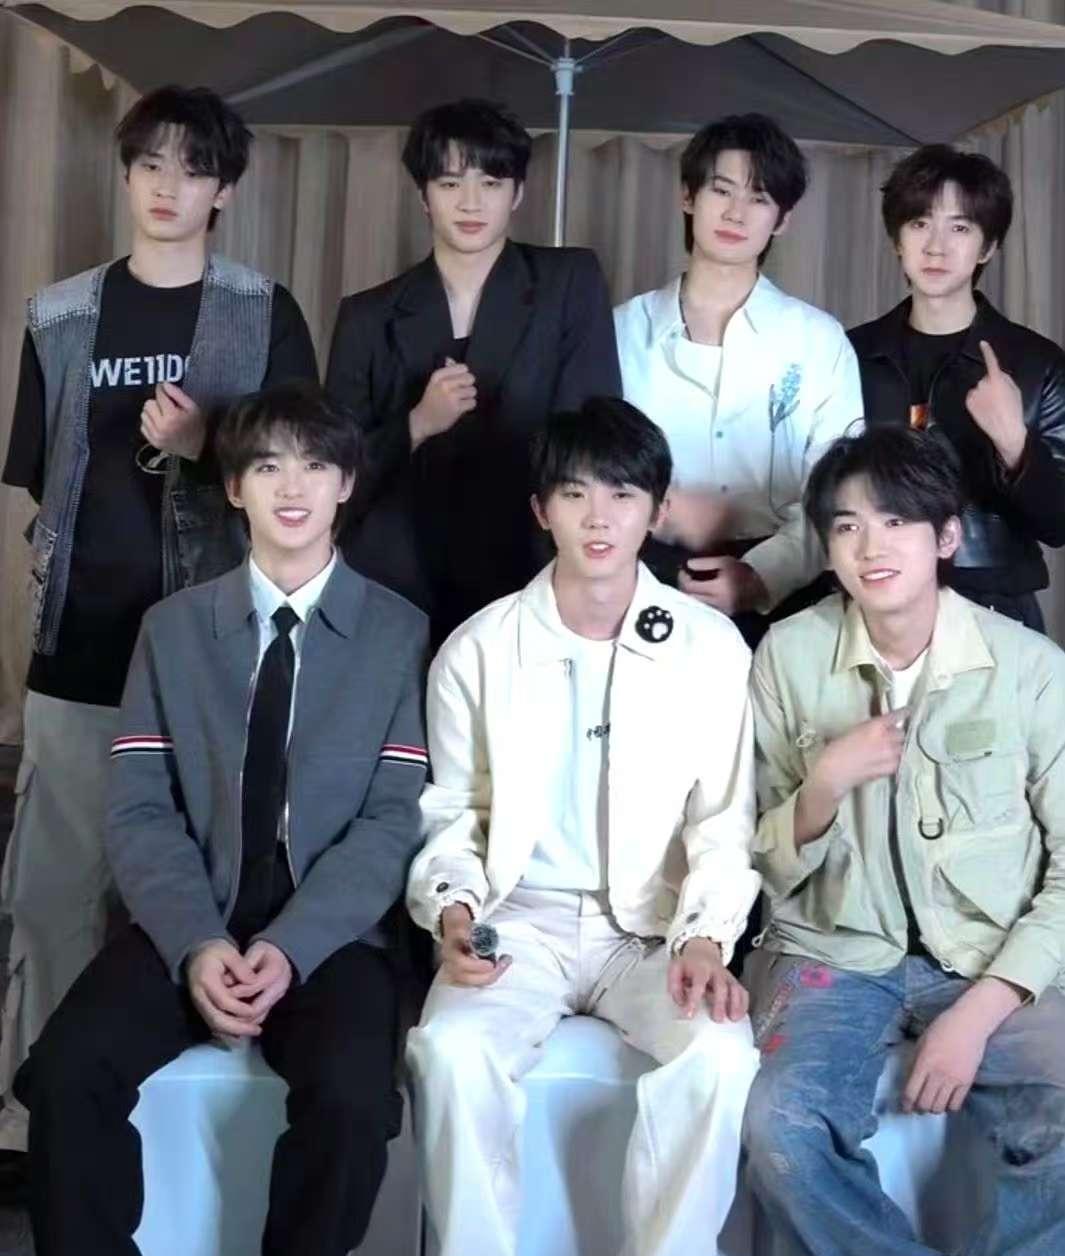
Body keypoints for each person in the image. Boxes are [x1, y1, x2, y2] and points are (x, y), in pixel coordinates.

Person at [14, 382, 428, 1256]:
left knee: (354, 1102)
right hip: (187, 917)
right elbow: (139, 809)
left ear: (346, 485)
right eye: (268, 465)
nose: (293, 487)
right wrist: (197, 940)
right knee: (64, 1078)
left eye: (316, 466)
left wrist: (291, 946)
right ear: (234, 486)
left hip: (331, 937)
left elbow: (390, 822)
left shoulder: (397, 632)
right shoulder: (172, 630)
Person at [405, 396, 760, 1256]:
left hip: (651, 932)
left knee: (720, 1057)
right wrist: (454, 910)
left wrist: (704, 935)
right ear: (541, 510)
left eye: (622, 494)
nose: (598, 517)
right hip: (515, 923)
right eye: (574, 494)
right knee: (450, 1053)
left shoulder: (708, 648)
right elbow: (452, 813)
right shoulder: (479, 648)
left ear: (656, 510)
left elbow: (723, 822)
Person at [0, 84, 318, 1157]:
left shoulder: (262, 310)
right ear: (127, 175)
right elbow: (42, 482)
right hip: (79, 649)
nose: (167, 186)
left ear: (224, 189)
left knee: (194, 899)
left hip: (216, 661)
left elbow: (305, 473)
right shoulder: (58, 315)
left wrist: (203, 448)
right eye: (149, 165)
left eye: (192, 167)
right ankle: (34, 1121)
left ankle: (170, 1136)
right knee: (52, 896)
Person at [744, 424, 1065, 1256]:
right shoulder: (786, 657)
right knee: (780, 1130)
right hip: (830, 952)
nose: (870, 546)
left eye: (895, 521)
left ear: (945, 536)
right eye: (846, 526)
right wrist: (822, 784)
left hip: (990, 955)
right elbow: (754, 858)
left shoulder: (1028, 670)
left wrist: (980, 1009)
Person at [326, 97, 621, 645]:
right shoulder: (367, 316)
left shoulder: (568, 281)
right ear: (423, 195)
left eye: (490, 182)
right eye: (449, 183)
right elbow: (331, 475)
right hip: (401, 580)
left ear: (518, 193)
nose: (470, 202)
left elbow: (595, 438)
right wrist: (415, 424)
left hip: (532, 568)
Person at [614, 112, 863, 647]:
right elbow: (593, 468)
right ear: (688, 196)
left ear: (782, 219)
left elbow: (840, 487)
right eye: (721, 190)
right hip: (641, 577)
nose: (735, 213)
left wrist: (762, 575)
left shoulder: (817, 340)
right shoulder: (621, 331)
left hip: (785, 592)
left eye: (759, 197)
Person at [849, 143, 1065, 632]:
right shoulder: (850, 354)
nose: (936, 246)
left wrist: (1015, 443)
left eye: (960, 228)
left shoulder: (1037, 363)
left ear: (987, 247)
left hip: (995, 609)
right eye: (919, 223)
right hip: (872, 599)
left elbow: (1059, 525)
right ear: (897, 239)